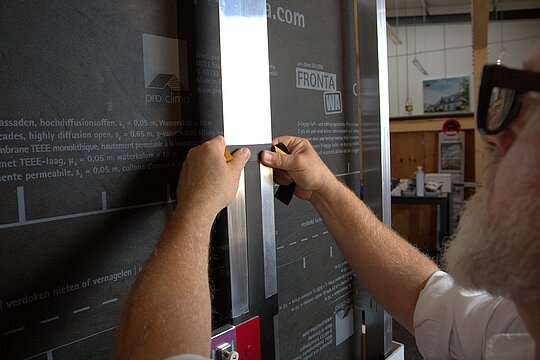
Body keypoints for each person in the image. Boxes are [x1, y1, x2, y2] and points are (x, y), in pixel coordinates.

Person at [116, 41, 540, 359]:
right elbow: (427, 298)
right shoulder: (518, 332)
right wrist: (325, 188)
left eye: (529, 108)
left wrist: (194, 210)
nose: (496, 136)